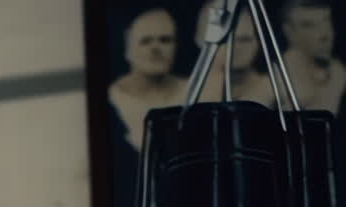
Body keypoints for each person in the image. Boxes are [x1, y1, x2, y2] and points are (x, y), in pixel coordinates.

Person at [109, 8, 190, 152]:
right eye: (145, 41)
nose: (155, 48)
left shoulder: (194, 90)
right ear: (128, 48)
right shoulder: (112, 99)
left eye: (165, 40)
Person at [193, 1, 276, 106]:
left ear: (259, 42)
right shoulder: (184, 92)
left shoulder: (275, 90)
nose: (235, 47)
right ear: (199, 38)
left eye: (244, 39)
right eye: (225, 39)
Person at [278, 0, 345, 114]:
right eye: (309, 25)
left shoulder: (339, 72)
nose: (324, 35)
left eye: (326, 21)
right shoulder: (275, 78)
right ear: (289, 31)